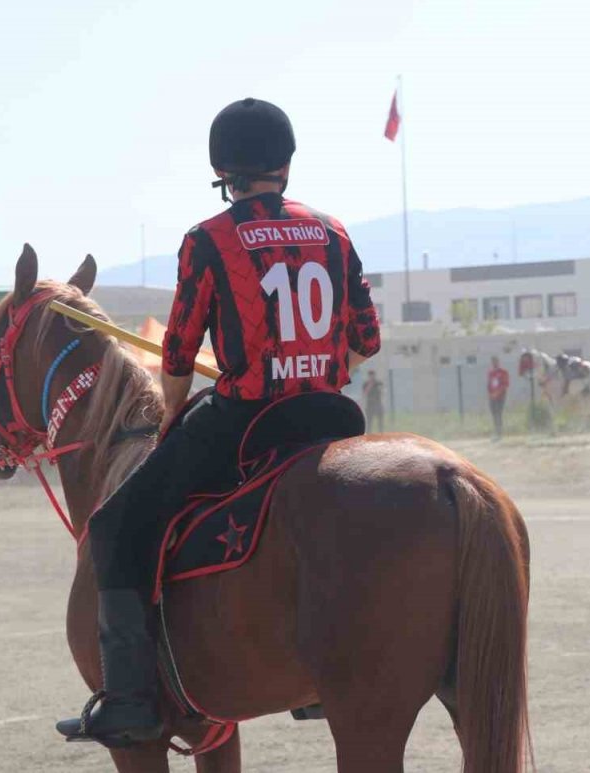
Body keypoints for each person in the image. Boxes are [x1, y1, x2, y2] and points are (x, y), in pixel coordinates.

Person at [56, 98, 381, 746]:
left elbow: (176, 357)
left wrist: (174, 412)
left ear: (222, 171)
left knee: (116, 526)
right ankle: (321, 678)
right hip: (331, 420)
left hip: (246, 421)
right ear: (286, 165)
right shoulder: (334, 231)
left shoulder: (209, 239)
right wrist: (319, 370)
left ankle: (128, 698)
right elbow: (366, 339)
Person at [487, 356, 510, 439]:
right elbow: (489, 385)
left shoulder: (503, 372)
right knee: (494, 414)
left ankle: (499, 433)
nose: (494, 363)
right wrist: (490, 394)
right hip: (492, 396)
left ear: (498, 362)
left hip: (500, 396)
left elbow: (505, 384)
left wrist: (497, 393)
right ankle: (496, 431)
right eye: (493, 362)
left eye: (495, 361)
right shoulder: (491, 373)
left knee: (498, 413)